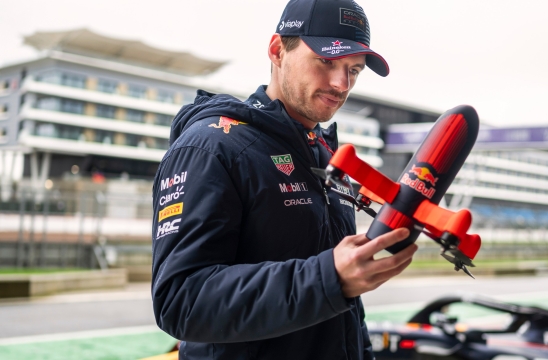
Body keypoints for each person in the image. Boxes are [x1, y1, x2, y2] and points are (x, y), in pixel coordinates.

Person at [151, 0, 418, 359]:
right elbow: (179, 301)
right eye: (326, 61)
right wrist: (329, 278)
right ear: (278, 50)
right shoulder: (210, 147)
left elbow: (346, 312)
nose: (342, 84)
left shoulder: (325, 157)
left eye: (353, 70)